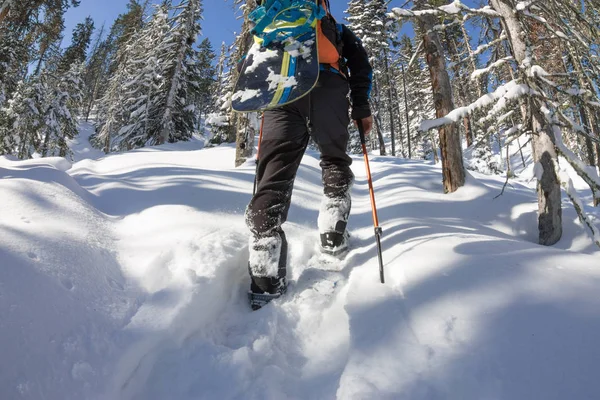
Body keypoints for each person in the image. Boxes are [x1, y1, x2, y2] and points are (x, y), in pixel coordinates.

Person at [245, 0, 373, 309]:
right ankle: (332, 232)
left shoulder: (273, 20)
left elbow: (250, 65)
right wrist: (361, 107)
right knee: (334, 158)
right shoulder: (339, 30)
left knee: (273, 172)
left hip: (283, 89)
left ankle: (265, 272)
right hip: (328, 85)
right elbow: (361, 67)